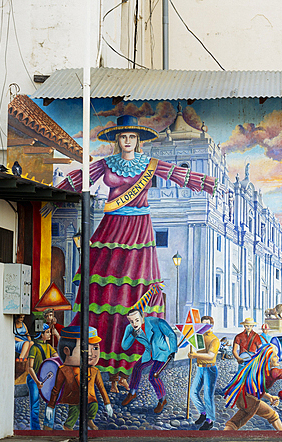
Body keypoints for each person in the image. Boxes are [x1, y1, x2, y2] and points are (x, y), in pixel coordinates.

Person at [57, 114, 214, 390]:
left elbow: (178, 175)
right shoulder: (106, 164)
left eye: (131, 137)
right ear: (117, 140)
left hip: (139, 231)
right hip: (111, 228)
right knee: (103, 290)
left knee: (134, 290)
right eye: (123, 137)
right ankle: (105, 365)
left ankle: (125, 369)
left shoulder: (150, 164)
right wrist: (54, 196)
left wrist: (207, 184)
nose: (127, 141)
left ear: (137, 140)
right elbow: (80, 177)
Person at [222, 343, 282, 431]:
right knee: (235, 423)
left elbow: (257, 389)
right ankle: (222, 437)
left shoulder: (255, 368)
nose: (278, 358)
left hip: (242, 397)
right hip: (251, 402)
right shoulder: (273, 372)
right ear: (268, 360)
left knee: (272, 415)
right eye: (275, 356)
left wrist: (270, 397)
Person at [45, 326, 113, 430]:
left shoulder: (94, 371)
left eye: (95, 348)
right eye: (84, 349)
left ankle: (89, 420)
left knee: (94, 406)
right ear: (67, 351)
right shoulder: (64, 370)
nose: (91, 354)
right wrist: (51, 405)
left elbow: (101, 388)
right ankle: (68, 426)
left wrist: (107, 403)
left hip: (90, 398)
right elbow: (56, 388)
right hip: (74, 398)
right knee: (74, 412)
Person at [120, 307, 178, 413]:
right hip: (148, 354)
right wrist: (133, 335)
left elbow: (171, 334)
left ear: (142, 317)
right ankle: (132, 393)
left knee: (153, 377)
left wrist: (173, 350)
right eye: (131, 321)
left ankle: (162, 400)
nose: (134, 323)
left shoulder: (156, 322)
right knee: (137, 368)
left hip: (161, 352)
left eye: (137, 320)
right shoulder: (130, 329)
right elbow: (124, 346)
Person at [188, 315, 220, 430]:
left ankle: (210, 420)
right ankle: (203, 413)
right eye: (203, 324)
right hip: (200, 368)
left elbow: (211, 355)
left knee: (207, 396)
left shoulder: (214, 339)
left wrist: (195, 355)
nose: (205, 327)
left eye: (207, 324)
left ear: (211, 325)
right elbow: (192, 345)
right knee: (193, 392)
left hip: (210, 368)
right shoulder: (199, 337)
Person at [25, 323, 56, 429]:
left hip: (46, 379)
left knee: (50, 402)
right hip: (34, 379)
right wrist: (37, 381)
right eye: (47, 332)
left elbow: (57, 360)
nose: (49, 334)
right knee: (35, 404)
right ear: (41, 334)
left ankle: (48, 426)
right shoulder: (34, 348)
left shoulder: (49, 347)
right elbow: (30, 368)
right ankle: (35, 428)